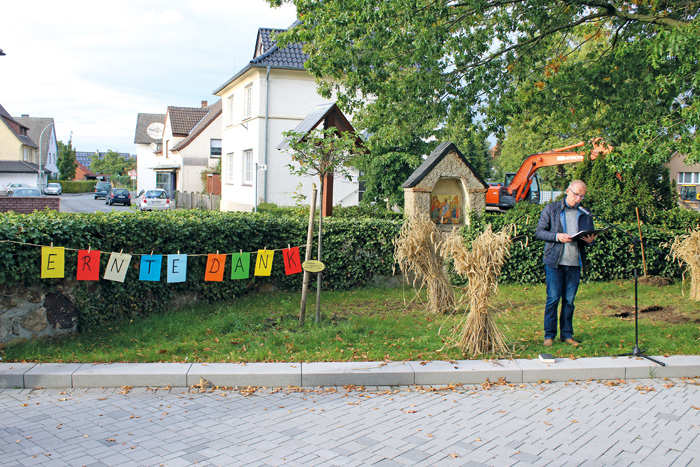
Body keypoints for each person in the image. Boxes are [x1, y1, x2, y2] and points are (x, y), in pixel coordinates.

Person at [535, 180, 597, 347]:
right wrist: (557, 237)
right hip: (555, 262)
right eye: (576, 194)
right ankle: (549, 336)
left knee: (569, 301)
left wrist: (590, 241)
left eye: (582, 196)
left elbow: (587, 237)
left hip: (574, 263)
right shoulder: (552, 209)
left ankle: (567, 335)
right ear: (567, 191)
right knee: (553, 299)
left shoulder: (585, 212)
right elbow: (539, 232)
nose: (578, 198)